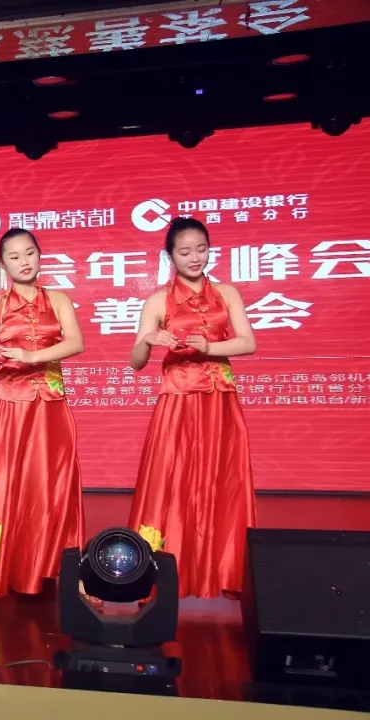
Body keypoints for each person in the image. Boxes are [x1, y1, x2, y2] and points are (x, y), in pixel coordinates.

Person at [0, 228, 86, 605]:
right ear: (2, 264)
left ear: (39, 256)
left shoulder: (58, 298)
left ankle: (54, 567)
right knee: (3, 484)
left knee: (52, 485)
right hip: (9, 406)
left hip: (51, 406)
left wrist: (32, 356)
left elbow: (75, 343)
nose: (24, 262)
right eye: (14, 256)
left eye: (29, 253)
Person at [127, 217, 257, 599]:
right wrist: (149, 340)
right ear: (170, 256)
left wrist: (209, 347)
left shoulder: (227, 293)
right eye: (185, 252)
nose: (195, 257)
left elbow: (247, 342)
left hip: (220, 401)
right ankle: (165, 570)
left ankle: (226, 572)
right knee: (170, 482)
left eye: (201, 249)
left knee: (223, 481)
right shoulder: (158, 300)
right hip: (178, 402)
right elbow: (135, 362)